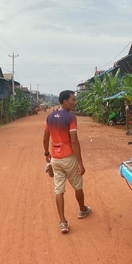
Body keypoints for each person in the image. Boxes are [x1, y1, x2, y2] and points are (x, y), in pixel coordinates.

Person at [43, 90, 92, 234]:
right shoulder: (71, 118)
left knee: (59, 190)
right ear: (65, 101)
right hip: (69, 157)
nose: (75, 102)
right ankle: (82, 210)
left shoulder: (50, 117)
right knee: (77, 185)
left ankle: (63, 222)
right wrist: (81, 163)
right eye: (73, 100)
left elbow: (45, 138)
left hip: (55, 159)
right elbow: (74, 141)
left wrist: (47, 153)